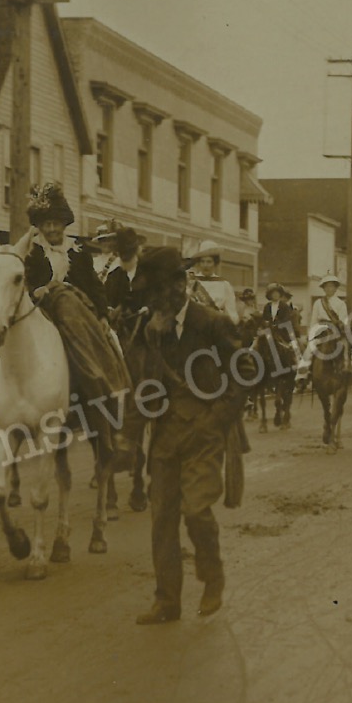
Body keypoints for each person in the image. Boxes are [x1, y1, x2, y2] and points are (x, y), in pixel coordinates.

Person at [130, 248, 248, 624]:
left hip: (204, 433)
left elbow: (244, 372)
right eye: (149, 295)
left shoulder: (211, 323)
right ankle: (167, 601)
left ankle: (212, 576)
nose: (152, 302)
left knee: (196, 511)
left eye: (159, 292)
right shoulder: (149, 328)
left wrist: (217, 419)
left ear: (181, 286)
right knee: (162, 517)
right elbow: (142, 383)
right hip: (165, 434)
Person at [12, 182, 134, 468]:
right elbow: (23, 282)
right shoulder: (32, 251)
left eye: (55, 223)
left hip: (76, 311)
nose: (52, 229)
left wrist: (103, 316)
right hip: (41, 311)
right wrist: (36, 291)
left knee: (86, 320)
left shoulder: (77, 251)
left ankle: (102, 385)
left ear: (64, 224)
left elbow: (93, 286)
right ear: (39, 226)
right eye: (46, 224)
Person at [297, 275, 352, 390]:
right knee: (309, 349)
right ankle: (302, 377)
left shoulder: (341, 303)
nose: (329, 289)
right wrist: (311, 334)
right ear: (323, 289)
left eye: (331, 287)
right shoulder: (318, 303)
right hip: (321, 330)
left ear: (335, 288)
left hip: (336, 330)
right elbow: (314, 320)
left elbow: (343, 320)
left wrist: (339, 327)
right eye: (327, 287)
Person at [186, 240, 239, 325]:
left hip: (216, 329)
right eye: (202, 261)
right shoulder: (191, 282)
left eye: (209, 262)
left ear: (215, 263)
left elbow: (232, 315)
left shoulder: (224, 285)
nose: (205, 265)